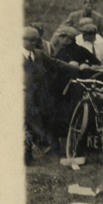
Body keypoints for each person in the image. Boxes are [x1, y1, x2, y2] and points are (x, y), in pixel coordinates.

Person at [24, 26, 81, 160]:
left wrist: (72, 67)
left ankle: (37, 149)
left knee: (41, 120)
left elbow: (54, 63)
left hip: (39, 94)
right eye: (29, 40)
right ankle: (27, 153)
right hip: (22, 94)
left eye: (35, 40)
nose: (32, 43)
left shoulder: (38, 54)